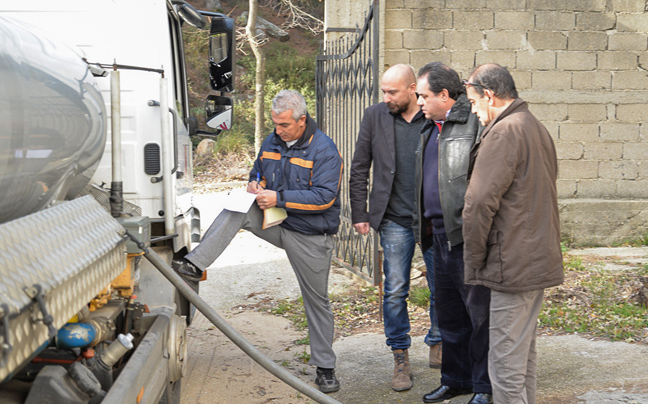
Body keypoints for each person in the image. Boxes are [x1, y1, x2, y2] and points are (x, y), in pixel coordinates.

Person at [173, 90, 343, 394]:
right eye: (275, 124)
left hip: (311, 235)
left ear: (302, 121)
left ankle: (325, 368)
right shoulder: (271, 141)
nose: (278, 130)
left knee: (317, 302)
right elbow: (258, 172)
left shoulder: (325, 150)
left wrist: (278, 197)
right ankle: (193, 265)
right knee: (237, 206)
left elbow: (324, 198)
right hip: (277, 222)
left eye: (284, 125)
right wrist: (255, 184)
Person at [462, 64, 564, 404]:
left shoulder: (505, 131)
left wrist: (474, 261)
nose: (473, 110)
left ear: (490, 95)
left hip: (513, 264)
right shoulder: (534, 126)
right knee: (522, 356)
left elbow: (477, 204)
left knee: (505, 363)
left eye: (474, 102)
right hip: (533, 259)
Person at [349, 64, 442, 392]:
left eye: (392, 92)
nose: (386, 97)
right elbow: (360, 165)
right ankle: (400, 354)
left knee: (440, 284)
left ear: (412, 89)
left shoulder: (432, 114)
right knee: (394, 290)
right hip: (393, 219)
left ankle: (438, 340)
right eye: (383, 92)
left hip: (432, 218)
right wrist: (359, 211)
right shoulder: (375, 116)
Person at [413, 62, 492, 404]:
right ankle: (455, 379)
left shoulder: (473, 123)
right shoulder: (430, 127)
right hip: (436, 237)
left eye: (424, 96)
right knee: (449, 315)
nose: (419, 102)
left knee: (478, 317)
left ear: (444, 95)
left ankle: (484, 387)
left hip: (465, 237)